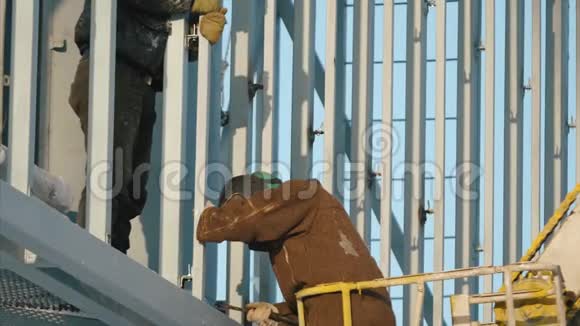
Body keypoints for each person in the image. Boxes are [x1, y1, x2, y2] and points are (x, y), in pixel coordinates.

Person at [69, 0, 226, 253]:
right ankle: (92, 258)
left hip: (140, 80)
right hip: (112, 67)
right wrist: (189, 4)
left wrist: (195, 41)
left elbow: (159, 37)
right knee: (111, 176)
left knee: (131, 189)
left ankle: (112, 260)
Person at [197, 173, 397, 326]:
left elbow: (251, 218)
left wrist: (209, 219)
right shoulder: (299, 239)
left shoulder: (304, 193)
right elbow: (315, 304)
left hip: (354, 313)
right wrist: (276, 312)